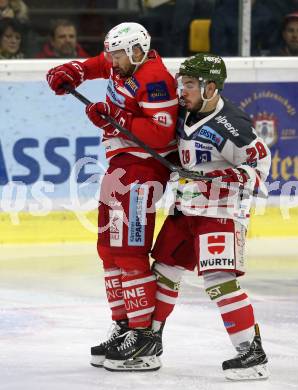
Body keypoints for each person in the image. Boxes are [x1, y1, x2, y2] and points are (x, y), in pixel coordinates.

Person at [46, 22, 178, 371]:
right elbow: (98, 64)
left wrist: (114, 118)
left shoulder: (155, 79)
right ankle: (123, 326)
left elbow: (161, 135)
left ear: (138, 50)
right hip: (121, 169)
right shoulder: (124, 62)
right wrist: (73, 71)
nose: (113, 60)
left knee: (129, 251)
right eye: (114, 53)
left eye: (119, 54)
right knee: (108, 249)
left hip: (144, 171)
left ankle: (143, 339)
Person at [150, 53, 271, 380]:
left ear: (211, 87)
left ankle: (251, 354)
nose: (181, 90)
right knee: (163, 271)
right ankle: (150, 340)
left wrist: (229, 177)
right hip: (185, 209)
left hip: (220, 213)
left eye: (189, 84)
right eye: (181, 83)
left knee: (219, 280)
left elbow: (259, 167)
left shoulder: (232, 124)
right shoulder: (182, 113)